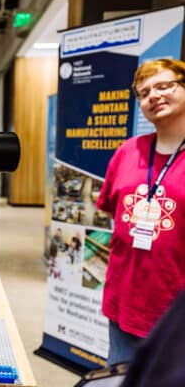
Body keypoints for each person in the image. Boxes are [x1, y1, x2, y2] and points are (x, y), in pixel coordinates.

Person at [96, 58, 185, 365]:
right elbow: (114, 215)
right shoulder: (127, 152)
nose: (154, 96)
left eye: (164, 86)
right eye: (144, 92)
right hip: (125, 307)